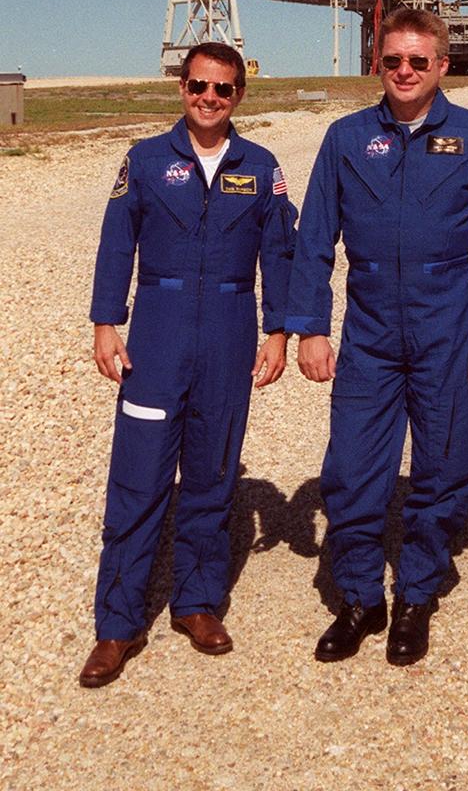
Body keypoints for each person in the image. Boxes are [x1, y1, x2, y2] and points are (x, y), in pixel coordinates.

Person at [286, 8, 468, 666]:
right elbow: (314, 241)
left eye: (420, 60)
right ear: (378, 65)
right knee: (354, 469)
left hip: (449, 325)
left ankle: (416, 593)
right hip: (371, 331)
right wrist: (308, 328)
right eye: (394, 61)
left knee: (448, 466)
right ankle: (361, 598)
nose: (406, 72)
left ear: (443, 65)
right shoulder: (346, 138)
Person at [79, 43, 297, 687]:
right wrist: (104, 323)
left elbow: (279, 253)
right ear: (181, 87)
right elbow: (116, 241)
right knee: (139, 480)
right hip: (159, 329)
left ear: (239, 96)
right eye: (199, 85)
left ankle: (197, 603)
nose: (209, 98)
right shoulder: (145, 161)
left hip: (230, 331)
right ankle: (117, 625)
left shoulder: (260, 167)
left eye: (223, 89)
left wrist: (278, 330)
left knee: (211, 475)